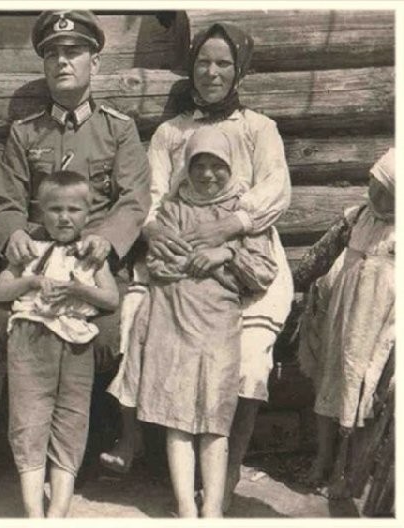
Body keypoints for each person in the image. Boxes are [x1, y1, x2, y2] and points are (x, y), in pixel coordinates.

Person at [104, 23, 294, 503]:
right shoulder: (171, 132)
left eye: (223, 63)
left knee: (248, 362)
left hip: (247, 257)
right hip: (178, 251)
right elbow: (151, 194)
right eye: (203, 62)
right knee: (135, 325)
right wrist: (156, 232)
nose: (212, 72)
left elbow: (276, 190)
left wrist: (230, 226)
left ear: (239, 71)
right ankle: (137, 442)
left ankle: (226, 471)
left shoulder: (258, 128)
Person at [0, 9, 151, 476]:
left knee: (105, 335)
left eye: (74, 52)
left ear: (94, 62)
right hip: (38, 264)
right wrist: (14, 234)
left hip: (94, 266)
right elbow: (7, 200)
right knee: (2, 322)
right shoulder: (26, 132)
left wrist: (106, 241)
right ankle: (30, 450)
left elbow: (134, 199)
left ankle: (84, 444)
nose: (62, 61)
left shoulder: (118, 129)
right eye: (52, 54)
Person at [134, 127, 277, 517]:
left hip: (218, 324)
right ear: (187, 166)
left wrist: (225, 256)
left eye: (218, 165)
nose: (208, 174)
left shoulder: (242, 216)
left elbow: (263, 271)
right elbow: (159, 263)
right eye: (199, 165)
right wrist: (199, 262)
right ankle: (185, 505)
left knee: (215, 419)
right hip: (173, 318)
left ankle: (212, 508)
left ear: (231, 166)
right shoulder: (173, 208)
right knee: (176, 416)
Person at [0, 171, 120, 517]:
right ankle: (34, 512)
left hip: (77, 343)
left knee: (72, 419)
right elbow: (0, 291)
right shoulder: (28, 249)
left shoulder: (90, 254)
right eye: (55, 209)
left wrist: (80, 290)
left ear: (88, 214)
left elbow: (110, 298)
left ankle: (58, 510)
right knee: (28, 419)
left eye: (74, 210)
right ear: (40, 211)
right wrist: (31, 281)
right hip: (30, 339)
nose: (64, 217)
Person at [294, 149, 395, 499]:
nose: (376, 195)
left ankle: (350, 471)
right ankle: (324, 459)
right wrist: (303, 287)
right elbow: (314, 261)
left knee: (368, 391)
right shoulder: (355, 218)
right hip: (342, 315)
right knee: (331, 382)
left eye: (387, 191)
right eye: (374, 184)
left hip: (382, 325)